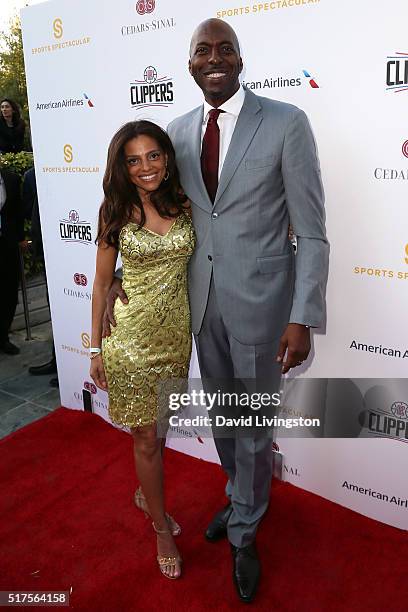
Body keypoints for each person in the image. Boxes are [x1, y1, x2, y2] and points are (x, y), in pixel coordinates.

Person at [106, 19, 329, 602]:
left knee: (253, 424)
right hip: (197, 310)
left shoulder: (286, 123)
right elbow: (143, 207)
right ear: (189, 64)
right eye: (202, 50)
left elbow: (312, 231)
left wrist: (302, 315)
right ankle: (239, 498)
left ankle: (246, 531)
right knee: (227, 420)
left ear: (239, 58)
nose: (214, 58)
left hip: (264, 308)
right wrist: (121, 282)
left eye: (224, 48)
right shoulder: (174, 133)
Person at [90, 120, 195, 580]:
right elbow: (99, 284)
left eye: (153, 155)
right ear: (122, 166)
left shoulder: (186, 202)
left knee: (161, 425)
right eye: (133, 160)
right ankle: (160, 529)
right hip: (129, 340)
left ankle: (144, 493)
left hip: (175, 338)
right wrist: (96, 349)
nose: (145, 167)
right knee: (147, 437)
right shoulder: (116, 210)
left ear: (167, 157)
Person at [22, 167, 58, 384]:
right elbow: (32, 211)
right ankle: (59, 360)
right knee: (55, 308)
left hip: (76, 253)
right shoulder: (35, 174)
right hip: (49, 253)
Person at [0, 167, 26, 354]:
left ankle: (3, 338)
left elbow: (17, 213)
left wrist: (20, 238)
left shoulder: (11, 179)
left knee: (8, 293)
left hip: (7, 246)